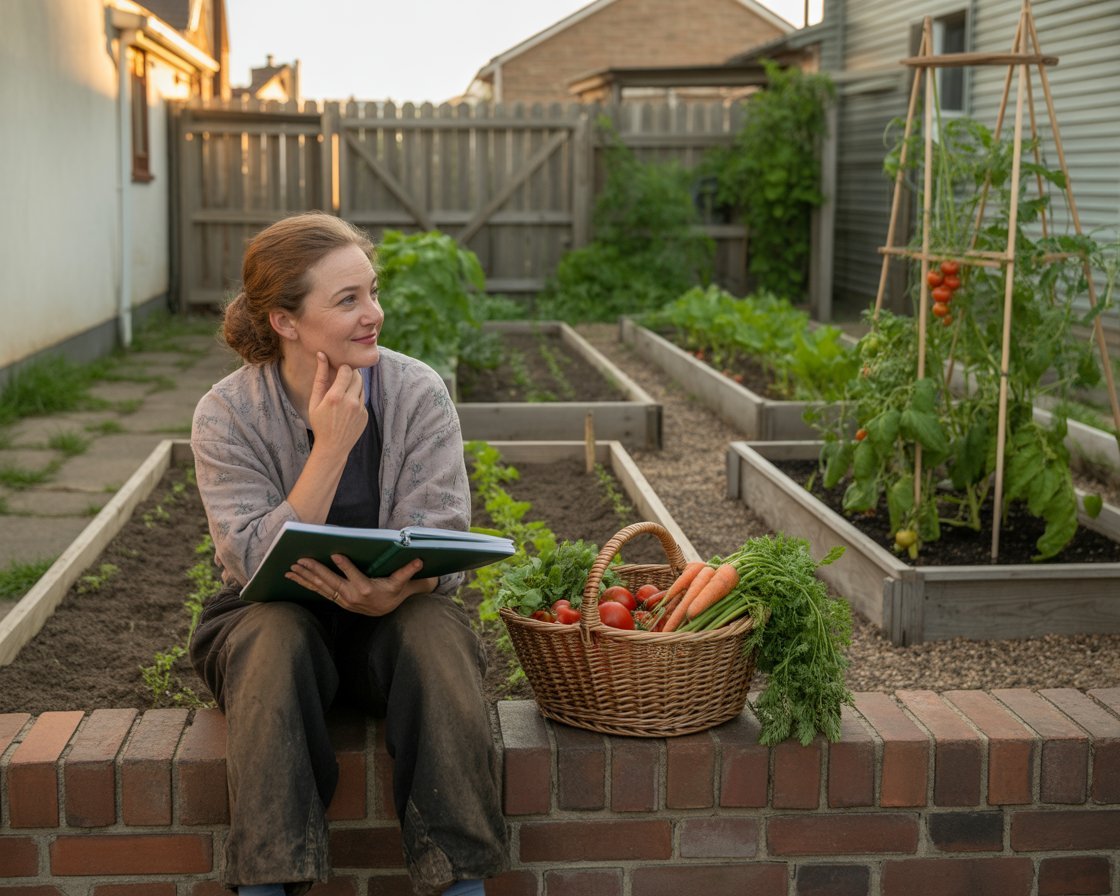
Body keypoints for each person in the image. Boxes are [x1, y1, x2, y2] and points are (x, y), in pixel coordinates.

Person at [189, 212, 509, 896]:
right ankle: (267, 885)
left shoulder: (417, 391)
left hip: (389, 624)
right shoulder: (228, 414)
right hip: (265, 622)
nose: (374, 314)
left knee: (434, 636)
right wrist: (330, 447)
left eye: (372, 291)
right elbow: (249, 558)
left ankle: (461, 884)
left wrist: (402, 591)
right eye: (347, 300)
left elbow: (442, 532)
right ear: (284, 321)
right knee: (275, 636)